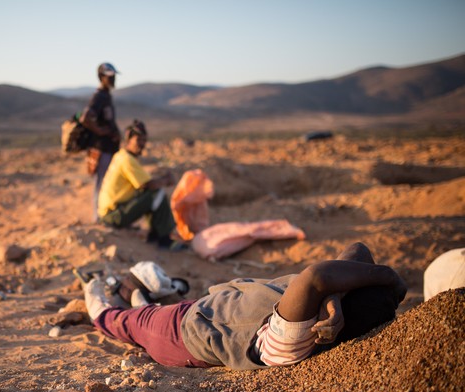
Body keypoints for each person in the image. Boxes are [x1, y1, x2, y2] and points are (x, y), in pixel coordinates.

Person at [82, 242, 407, 370]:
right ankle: (138, 296)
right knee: (146, 309)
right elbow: (358, 251)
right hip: (205, 307)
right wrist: (334, 298)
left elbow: (317, 275)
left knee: (120, 321)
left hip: (182, 335)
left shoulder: (294, 336)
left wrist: (389, 277)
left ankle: (91, 291)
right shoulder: (326, 298)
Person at [97, 119, 183, 250]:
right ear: (129, 139)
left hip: (110, 213)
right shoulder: (127, 159)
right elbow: (148, 185)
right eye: (139, 140)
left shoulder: (122, 156)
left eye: (144, 141)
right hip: (113, 216)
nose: (142, 144)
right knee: (156, 194)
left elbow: (144, 184)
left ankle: (154, 235)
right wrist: (166, 180)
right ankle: (164, 240)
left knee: (150, 195)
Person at [80, 62, 121, 219]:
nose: (113, 79)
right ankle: (97, 218)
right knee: (101, 183)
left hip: (109, 148)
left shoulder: (106, 96)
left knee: (108, 183)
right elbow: (85, 118)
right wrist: (101, 131)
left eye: (114, 76)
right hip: (102, 148)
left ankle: (106, 215)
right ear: (101, 77)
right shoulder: (99, 97)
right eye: (110, 77)